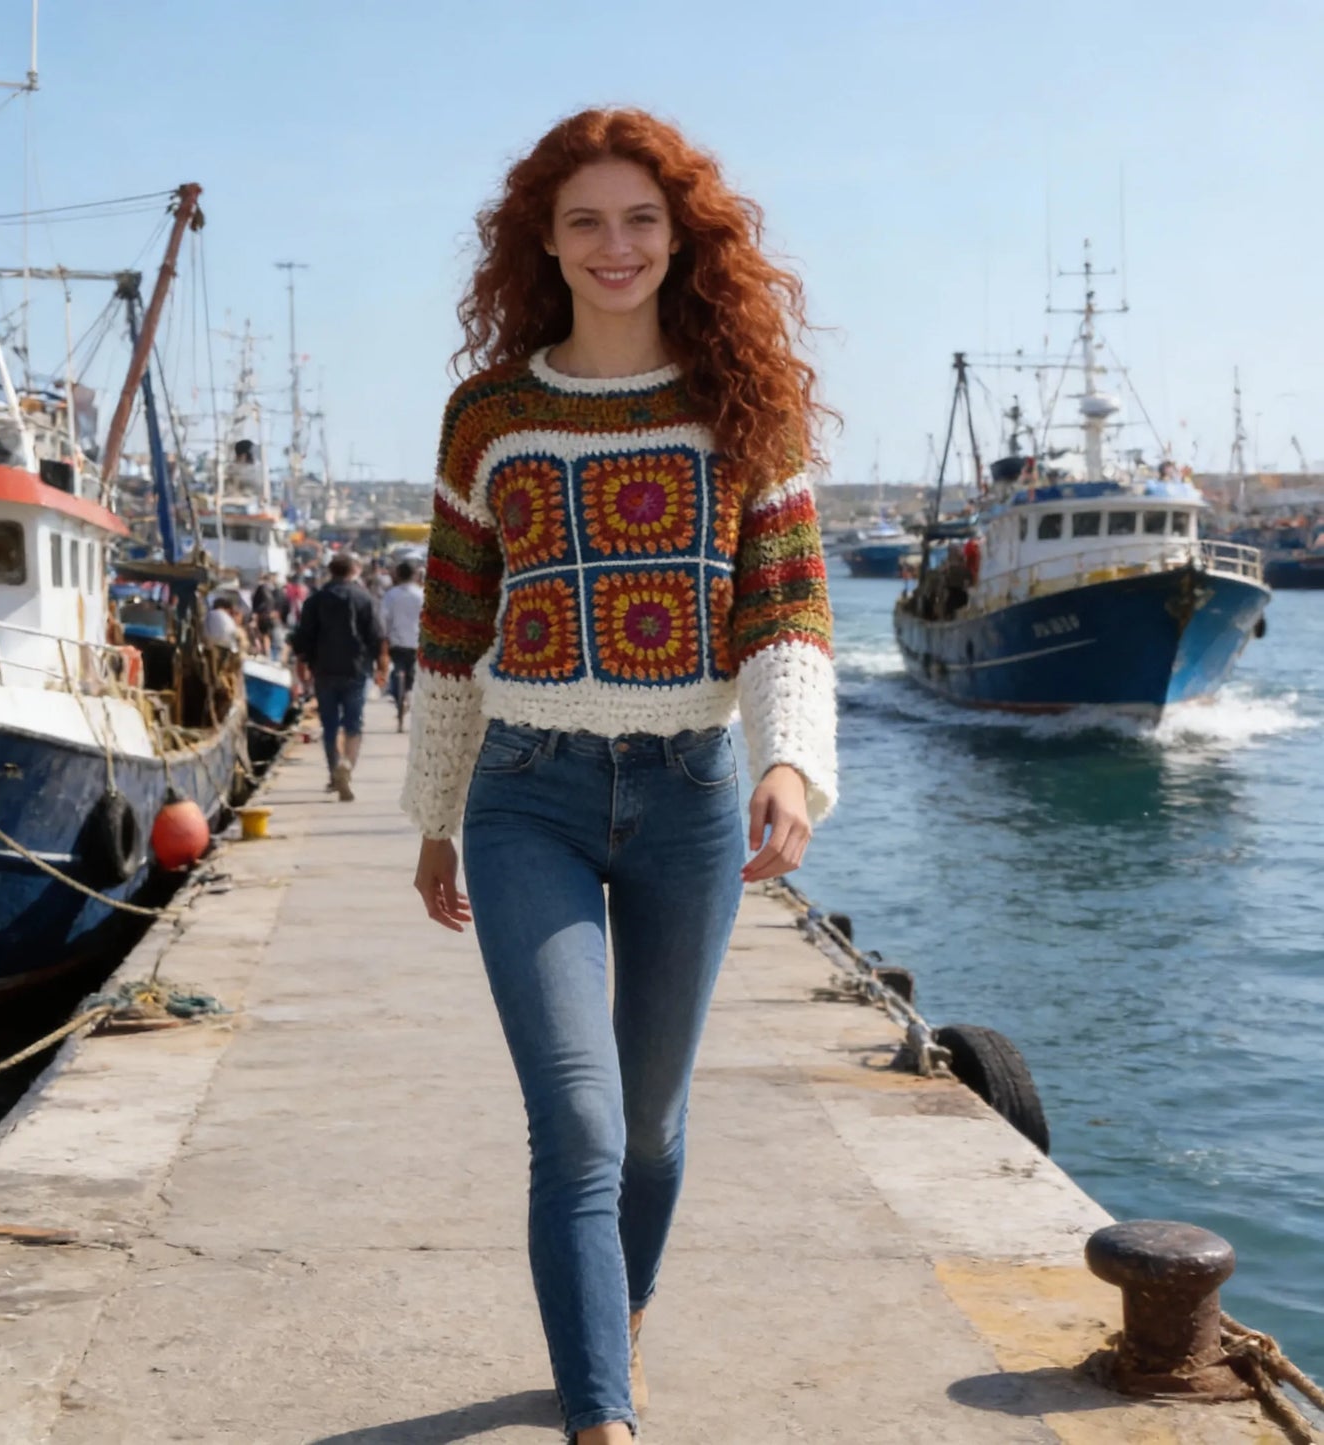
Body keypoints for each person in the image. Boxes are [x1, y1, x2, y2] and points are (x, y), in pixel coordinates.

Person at [400, 109, 837, 1444]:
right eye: (584, 220)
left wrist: (789, 768)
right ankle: (602, 1416)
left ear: (682, 236)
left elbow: (786, 616)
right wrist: (434, 821)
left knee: (648, 1127)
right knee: (580, 1124)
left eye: (641, 219)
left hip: (693, 804)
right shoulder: (490, 418)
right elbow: (454, 630)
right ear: (542, 238)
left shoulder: (742, 413)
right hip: (524, 792)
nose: (615, 245)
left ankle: (616, 1322)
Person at [292, 553, 388, 801]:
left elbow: (303, 637)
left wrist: (301, 665)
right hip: (356, 670)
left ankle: (334, 771)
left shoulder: (315, 600)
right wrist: (382, 667)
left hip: (323, 670)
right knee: (354, 723)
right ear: (354, 571)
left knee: (330, 724)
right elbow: (377, 637)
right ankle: (347, 765)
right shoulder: (364, 598)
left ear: (330, 571)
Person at [379, 557, 424, 730]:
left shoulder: (391, 595)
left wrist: (385, 637)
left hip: (396, 641)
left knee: (397, 669)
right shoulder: (421, 594)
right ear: (414, 575)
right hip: (416, 640)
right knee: (412, 673)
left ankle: (398, 697)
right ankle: (409, 696)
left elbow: (384, 618)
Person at [251, 572, 285, 660]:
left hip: (264, 615)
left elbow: (256, 602)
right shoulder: (275, 589)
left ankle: (265, 653)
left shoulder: (262, 588)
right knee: (268, 636)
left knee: (263, 635)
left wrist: (256, 614)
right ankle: (270, 655)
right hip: (271, 616)